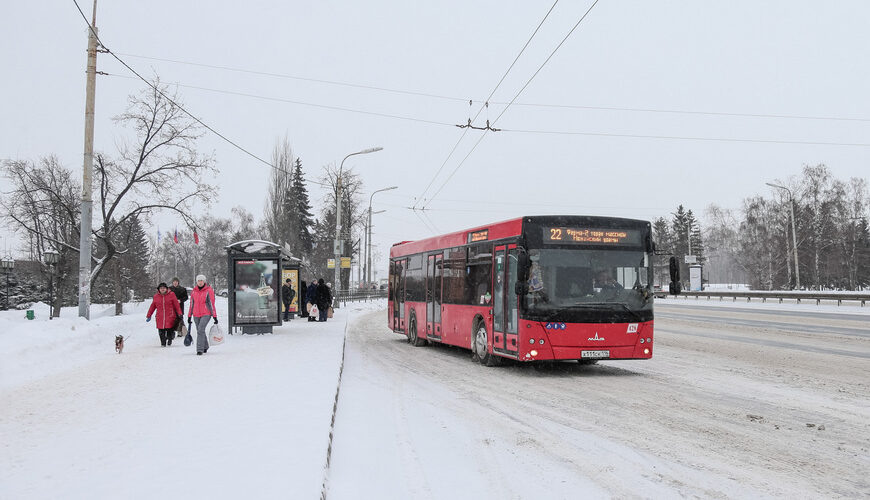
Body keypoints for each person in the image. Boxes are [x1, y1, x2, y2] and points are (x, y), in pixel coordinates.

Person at [188, 274, 218, 355]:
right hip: (196, 314)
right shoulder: (194, 291)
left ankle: (199, 349)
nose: (200, 282)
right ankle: (205, 346)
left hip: (206, 313)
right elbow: (191, 303)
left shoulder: (208, 290)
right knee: (200, 331)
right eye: (198, 281)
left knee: (200, 329)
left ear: (204, 281)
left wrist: (214, 315)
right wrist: (189, 315)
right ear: (196, 282)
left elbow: (211, 303)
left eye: (201, 280)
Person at [146, 282, 182, 347]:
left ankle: (170, 339)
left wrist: (179, 313)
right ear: (159, 289)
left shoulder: (171, 294)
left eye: (164, 288)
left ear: (166, 289)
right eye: (161, 288)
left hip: (170, 316)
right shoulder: (156, 296)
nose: (162, 289)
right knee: (161, 331)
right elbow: (152, 306)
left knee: (169, 330)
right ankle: (163, 343)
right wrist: (149, 315)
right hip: (160, 316)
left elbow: (176, 305)